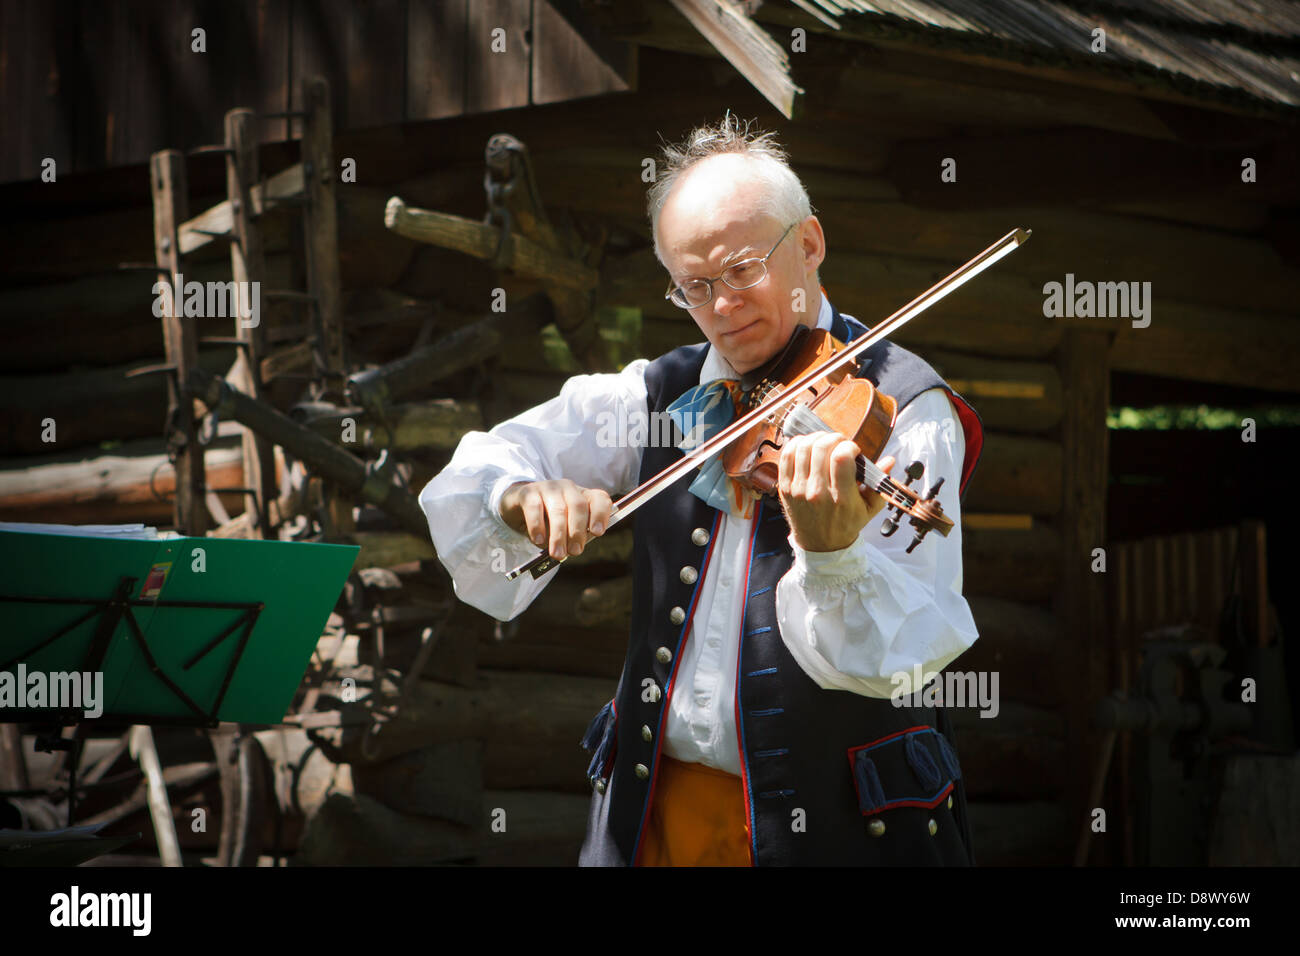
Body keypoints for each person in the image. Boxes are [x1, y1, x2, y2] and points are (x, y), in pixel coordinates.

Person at [420, 115, 985, 866]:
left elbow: (908, 658)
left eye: (743, 270)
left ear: (809, 245)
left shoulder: (907, 407)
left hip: (835, 830)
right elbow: (486, 466)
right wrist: (520, 497)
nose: (720, 308)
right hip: (658, 818)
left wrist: (834, 556)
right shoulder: (659, 393)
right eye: (694, 286)